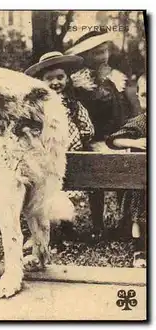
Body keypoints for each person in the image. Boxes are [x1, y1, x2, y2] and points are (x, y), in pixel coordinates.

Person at [65, 30, 141, 238]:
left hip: (116, 136)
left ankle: (124, 223)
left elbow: (123, 108)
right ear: (87, 56)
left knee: (124, 180)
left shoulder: (112, 79)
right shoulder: (79, 84)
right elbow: (84, 113)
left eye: (105, 51)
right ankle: (97, 225)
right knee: (95, 184)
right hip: (94, 138)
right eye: (98, 52)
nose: (103, 56)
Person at [23, 51, 95, 247]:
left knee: (68, 190)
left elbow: (87, 128)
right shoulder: (37, 106)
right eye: (49, 79)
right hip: (46, 155)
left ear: (67, 79)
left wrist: (80, 138)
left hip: (70, 154)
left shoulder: (74, 105)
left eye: (60, 77)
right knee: (43, 191)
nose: (55, 82)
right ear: (41, 82)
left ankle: (65, 228)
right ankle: (42, 232)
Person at [105, 74, 147, 268]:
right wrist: (135, 142)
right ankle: (140, 250)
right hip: (141, 182)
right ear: (138, 96)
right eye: (146, 95)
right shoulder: (140, 123)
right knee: (139, 207)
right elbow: (113, 140)